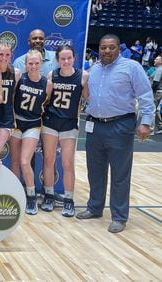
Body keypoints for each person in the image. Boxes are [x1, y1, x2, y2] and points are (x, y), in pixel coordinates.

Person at [76, 34, 155, 233]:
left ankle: (119, 216)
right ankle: (94, 207)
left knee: (120, 173)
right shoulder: (93, 70)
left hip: (121, 125)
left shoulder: (132, 68)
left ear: (119, 48)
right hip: (95, 126)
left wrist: (146, 122)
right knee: (95, 170)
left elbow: (146, 96)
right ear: (99, 49)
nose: (107, 51)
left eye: (111, 47)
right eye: (103, 47)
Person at [41, 45, 89, 217]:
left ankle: (69, 199)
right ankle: (49, 195)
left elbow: (87, 98)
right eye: (63, 58)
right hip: (51, 122)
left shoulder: (82, 76)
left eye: (69, 58)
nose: (66, 61)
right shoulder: (51, 75)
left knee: (67, 163)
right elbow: (46, 100)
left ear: (74, 58)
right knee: (48, 160)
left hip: (69, 124)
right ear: (58, 60)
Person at [10, 49, 51, 215]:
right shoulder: (20, 77)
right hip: (16, 122)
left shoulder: (47, 83)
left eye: (36, 63)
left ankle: (31, 196)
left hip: (33, 124)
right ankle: (14, 193)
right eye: (30, 63)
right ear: (26, 64)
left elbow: (47, 105)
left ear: (41, 64)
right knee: (14, 161)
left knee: (25, 161)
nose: (33, 66)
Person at [0, 43, 21, 159]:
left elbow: (13, 96)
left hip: (5, 118)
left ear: (11, 56)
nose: (4, 58)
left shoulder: (16, 73)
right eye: (1, 54)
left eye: (7, 55)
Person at [151, 55, 162, 134]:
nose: (155, 60)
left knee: (152, 109)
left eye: (157, 59)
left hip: (157, 91)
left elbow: (156, 82)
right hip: (159, 91)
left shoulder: (159, 69)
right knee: (157, 110)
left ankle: (150, 129)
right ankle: (160, 126)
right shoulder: (158, 69)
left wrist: (150, 91)